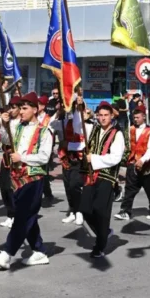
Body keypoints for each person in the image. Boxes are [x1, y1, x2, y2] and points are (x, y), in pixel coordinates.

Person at [0, 92, 53, 268]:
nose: (21, 111)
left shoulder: (45, 131)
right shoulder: (16, 126)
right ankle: (39, 250)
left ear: (35, 109)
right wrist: (3, 124)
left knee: (22, 216)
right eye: (20, 108)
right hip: (17, 177)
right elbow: (4, 138)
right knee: (28, 215)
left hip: (33, 177)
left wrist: (23, 157)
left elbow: (44, 157)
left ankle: (8, 252)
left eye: (25, 108)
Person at [79, 100, 126, 258]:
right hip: (91, 175)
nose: (103, 118)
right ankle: (104, 231)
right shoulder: (93, 129)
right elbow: (77, 125)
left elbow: (116, 158)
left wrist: (95, 159)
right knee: (85, 208)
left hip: (107, 176)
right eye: (100, 115)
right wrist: (79, 106)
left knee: (100, 210)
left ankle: (100, 245)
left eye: (106, 115)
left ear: (112, 116)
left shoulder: (117, 133)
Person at [115, 106, 150, 221]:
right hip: (132, 162)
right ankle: (125, 211)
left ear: (144, 117)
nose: (136, 119)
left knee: (149, 189)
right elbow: (127, 144)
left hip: (146, 165)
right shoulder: (131, 129)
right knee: (129, 188)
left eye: (138, 117)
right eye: (134, 117)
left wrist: (143, 160)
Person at [59, 90, 86, 226]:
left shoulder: (82, 121)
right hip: (66, 159)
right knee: (67, 186)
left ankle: (80, 211)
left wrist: (68, 145)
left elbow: (83, 144)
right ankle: (73, 210)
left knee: (75, 185)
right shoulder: (63, 119)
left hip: (77, 159)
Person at [0, 96, 22, 229]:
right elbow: (4, 139)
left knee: (14, 187)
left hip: (17, 157)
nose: (11, 110)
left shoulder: (23, 123)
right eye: (10, 107)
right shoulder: (7, 121)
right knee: (4, 186)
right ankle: (10, 214)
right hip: (6, 157)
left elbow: (16, 139)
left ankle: (16, 215)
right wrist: (4, 125)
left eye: (14, 107)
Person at [37, 95, 56, 203]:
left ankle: (48, 194)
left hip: (45, 148)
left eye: (39, 104)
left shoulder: (48, 119)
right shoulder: (33, 117)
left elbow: (51, 134)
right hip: (34, 148)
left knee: (44, 173)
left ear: (43, 106)